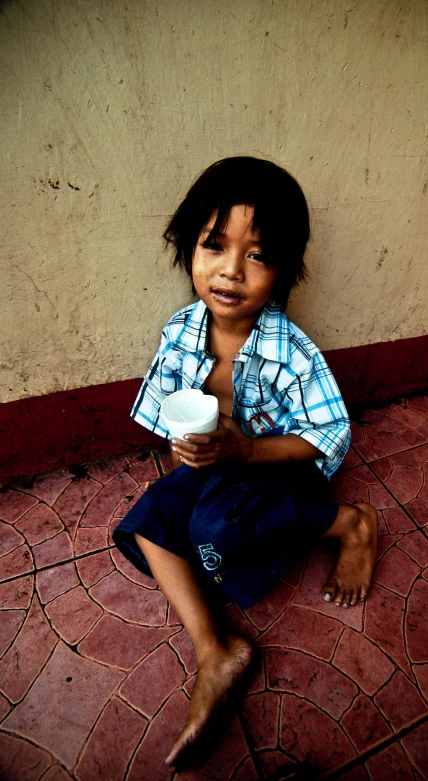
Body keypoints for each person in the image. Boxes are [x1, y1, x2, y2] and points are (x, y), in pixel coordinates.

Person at [113, 156, 377, 769]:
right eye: (214, 246)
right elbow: (169, 418)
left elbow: (327, 436)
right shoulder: (181, 333)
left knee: (214, 530)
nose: (231, 271)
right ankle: (217, 651)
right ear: (189, 250)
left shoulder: (291, 351)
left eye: (257, 255)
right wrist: (195, 453)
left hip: (279, 461)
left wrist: (246, 451)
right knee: (147, 521)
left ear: (282, 269)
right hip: (223, 464)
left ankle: (348, 523)